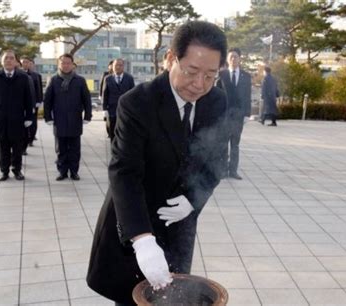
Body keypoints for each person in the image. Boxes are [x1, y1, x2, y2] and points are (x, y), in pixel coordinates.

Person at [87, 20, 228, 306]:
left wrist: (192, 199)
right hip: (136, 225)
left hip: (179, 228)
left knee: (174, 299)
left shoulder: (217, 101)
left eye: (210, 75)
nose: (200, 84)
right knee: (132, 299)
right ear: (170, 59)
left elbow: (215, 161)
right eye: (192, 71)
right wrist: (142, 240)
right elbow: (124, 173)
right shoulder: (137, 103)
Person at [0, 50, 33, 181]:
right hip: (0, 119)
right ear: (2, 61)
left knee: (17, 147)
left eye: (11, 58)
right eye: (6, 58)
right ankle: (4, 171)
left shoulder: (23, 77)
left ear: (16, 62)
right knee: (3, 147)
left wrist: (29, 117)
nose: (9, 60)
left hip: (18, 119)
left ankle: (17, 170)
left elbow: (28, 99)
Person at [43, 53, 92, 181]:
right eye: (63, 63)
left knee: (75, 148)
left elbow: (86, 99)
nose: (65, 65)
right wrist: (48, 117)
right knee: (61, 148)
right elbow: (47, 100)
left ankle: (74, 171)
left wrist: (87, 115)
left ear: (72, 65)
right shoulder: (53, 80)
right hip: (59, 120)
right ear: (59, 64)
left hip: (75, 119)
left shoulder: (80, 80)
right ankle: (62, 171)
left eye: (68, 63)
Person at [216, 48, 252, 180]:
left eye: (235, 57)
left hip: (238, 115)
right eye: (231, 57)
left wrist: (247, 114)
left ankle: (233, 171)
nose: (233, 59)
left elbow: (247, 96)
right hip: (224, 115)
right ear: (227, 59)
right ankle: (223, 170)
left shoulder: (246, 76)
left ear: (240, 59)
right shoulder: (222, 75)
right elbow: (217, 95)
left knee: (235, 144)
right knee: (224, 143)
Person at [102, 58, 135, 141]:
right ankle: (113, 150)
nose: (118, 67)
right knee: (112, 133)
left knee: (125, 133)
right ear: (112, 67)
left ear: (123, 66)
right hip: (112, 110)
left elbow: (133, 95)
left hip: (126, 111)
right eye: (116, 65)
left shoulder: (129, 78)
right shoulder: (108, 79)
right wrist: (104, 109)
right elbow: (105, 94)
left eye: (120, 65)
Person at [20, 56, 43, 147]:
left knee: (33, 122)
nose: (25, 64)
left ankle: (31, 138)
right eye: (23, 62)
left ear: (30, 64)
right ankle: (24, 142)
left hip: (33, 103)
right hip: (21, 103)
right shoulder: (18, 74)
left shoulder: (36, 75)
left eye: (27, 62)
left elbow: (39, 89)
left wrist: (39, 100)